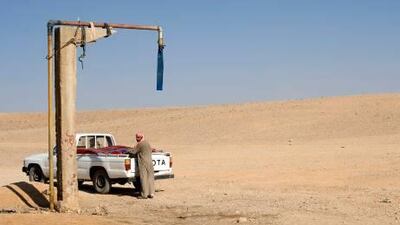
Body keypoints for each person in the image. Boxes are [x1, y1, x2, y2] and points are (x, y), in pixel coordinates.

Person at [127, 132, 155, 199]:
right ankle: (151, 193)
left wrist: (128, 150)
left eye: (138, 137)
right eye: (136, 137)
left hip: (143, 162)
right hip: (150, 162)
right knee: (150, 178)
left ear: (142, 137)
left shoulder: (140, 144)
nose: (137, 139)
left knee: (143, 178)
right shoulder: (147, 143)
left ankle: (144, 195)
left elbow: (134, 151)